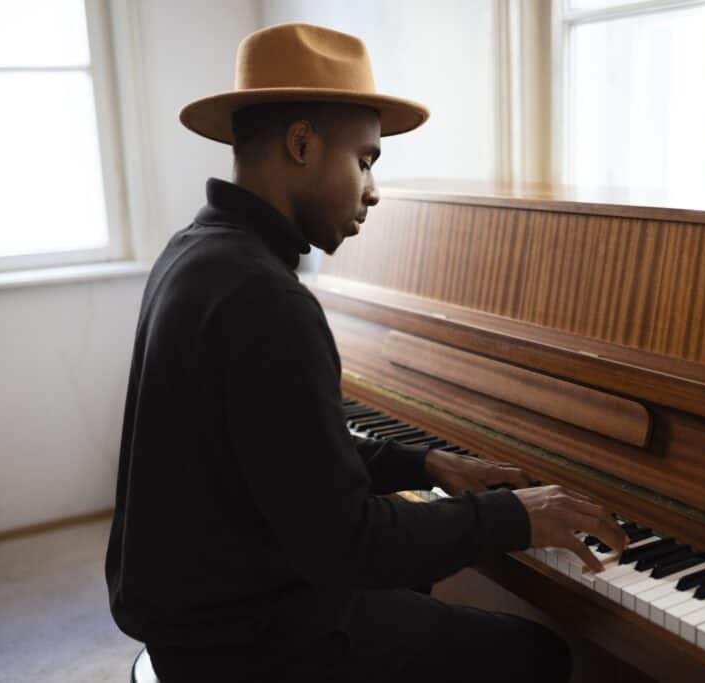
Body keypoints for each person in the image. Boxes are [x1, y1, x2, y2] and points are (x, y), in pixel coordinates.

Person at [105, 22, 627, 683]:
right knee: (539, 654)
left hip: (197, 616)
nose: (374, 190)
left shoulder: (197, 252)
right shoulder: (266, 299)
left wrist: (424, 461)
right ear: (301, 145)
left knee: (420, 594)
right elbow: (349, 544)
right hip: (245, 643)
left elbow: (289, 458)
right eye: (366, 160)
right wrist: (514, 514)